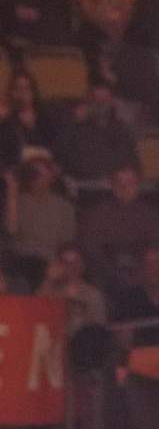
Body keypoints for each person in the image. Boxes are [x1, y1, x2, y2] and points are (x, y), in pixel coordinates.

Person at [4, 148, 76, 285]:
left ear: (52, 176)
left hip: (49, 261)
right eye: (33, 173)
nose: (37, 177)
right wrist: (12, 192)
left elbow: (67, 243)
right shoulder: (18, 201)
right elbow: (11, 229)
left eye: (41, 173)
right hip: (20, 259)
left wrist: (60, 264)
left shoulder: (64, 206)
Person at [0, 70, 57, 169]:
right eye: (17, 88)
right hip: (20, 169)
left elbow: (56, 147)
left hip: (47, 167)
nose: (22, 93)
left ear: (33, 91)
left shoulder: (45, 118)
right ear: (11, 92)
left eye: (26, 88)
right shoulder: (7, 122)